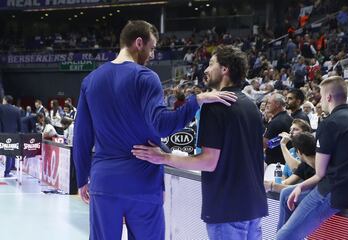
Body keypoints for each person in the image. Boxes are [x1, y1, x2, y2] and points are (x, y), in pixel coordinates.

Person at [73, 20, 237, 240]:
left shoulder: (90, 81)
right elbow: (162, 125)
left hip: (105, 181)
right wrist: (196, 101)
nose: (151, 55)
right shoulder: (145, 77)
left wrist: (82, 178)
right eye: (151, 48)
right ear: (139, 43)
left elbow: (82, 136)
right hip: (143, 181)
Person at [133, 45, 268, 240]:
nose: (205, 69)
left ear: (224, 69)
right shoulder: (252, 106)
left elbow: (208, 161)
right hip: (254, 206)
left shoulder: (214, 107)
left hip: (227, 209)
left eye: (211, 64)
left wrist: (162, 157)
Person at [276, 76, 348, 239]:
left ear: (328, 97)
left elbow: (320, 173)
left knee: (283, 237)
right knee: (286, 194)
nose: (320, 101)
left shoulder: (329, 124)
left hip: (333, 193)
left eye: (321, 97)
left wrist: (300, 186)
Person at [263, 93, 293, 165]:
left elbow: (265, 144)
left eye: (269, 103)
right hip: (286, 159)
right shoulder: (289, 118)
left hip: (275, 162)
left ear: (277, 104)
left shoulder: (276, 122)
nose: (266, 105)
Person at [0, 95, 21, 177]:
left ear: (5, 100)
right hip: (13, 133)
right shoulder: (17, 110)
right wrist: (19, 132)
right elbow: (19, 123)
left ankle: (9, 170)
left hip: (1, 132)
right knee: (10, 152)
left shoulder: (0, 107)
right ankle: (7, 172)